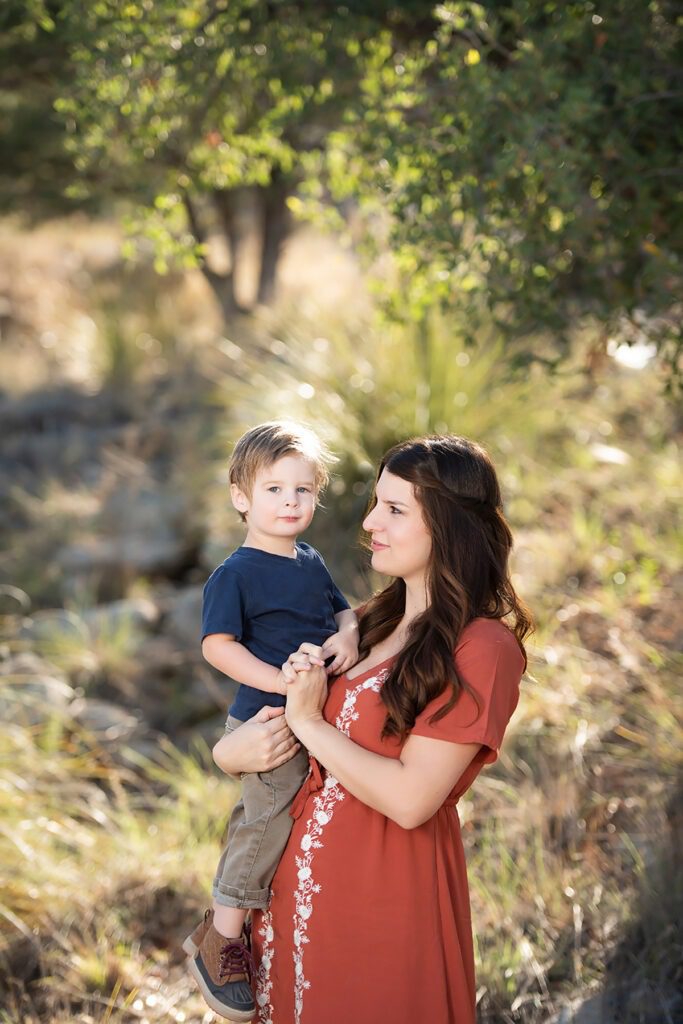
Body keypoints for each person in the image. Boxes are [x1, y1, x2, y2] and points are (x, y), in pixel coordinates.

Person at [209, 433, 532, 1024]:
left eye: (394, 509)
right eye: (374, 503)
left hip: (379, 904)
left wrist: (307, 720)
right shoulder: (362, 625)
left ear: (449, 525)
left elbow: (412, 800)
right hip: (284, 904)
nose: (369, 521)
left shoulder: (483, 648)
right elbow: (269, 735)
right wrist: (229, 754)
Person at [184, 421, 358, 1021]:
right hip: (265, 722)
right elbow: (217, 646)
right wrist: (277, 679)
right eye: (274, 490)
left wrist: (350, 637)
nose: (290, 502)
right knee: (264, 821)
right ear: (241, 497)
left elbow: (343, 611)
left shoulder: (310, 562)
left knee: (292, 820)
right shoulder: (236, 573)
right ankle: (222, 939)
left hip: (306, 715)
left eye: (304, 491)